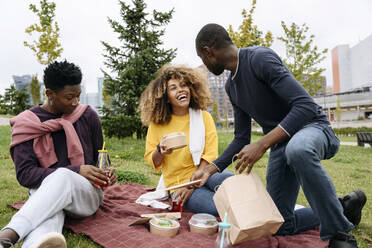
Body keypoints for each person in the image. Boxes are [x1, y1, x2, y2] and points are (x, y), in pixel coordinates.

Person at [191, 23, 366, 248]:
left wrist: (262, 144)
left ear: (208, 51)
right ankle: (344, 207)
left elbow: (305, 106)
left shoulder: (259, 58)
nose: (204, 65)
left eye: (202, 58)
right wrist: (210, 169)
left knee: (298, 149)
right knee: (280, 223)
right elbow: (241, 139)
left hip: (313, 128)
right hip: (281, 145)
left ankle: (340, 235)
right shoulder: (231, 88)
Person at [0, 60, 117, 248]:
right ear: (50, 94)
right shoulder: (27, 124)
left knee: (63, 175)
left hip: (86, 196)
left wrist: (105, 173)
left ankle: (9, 233)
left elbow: (99, 159)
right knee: (48, 222)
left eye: (78, 96)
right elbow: (25, 175)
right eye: (69, 97)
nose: (75, 102)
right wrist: (76, 169)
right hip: (46, 195)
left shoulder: (88, 116)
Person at [139, 65, 233, 216]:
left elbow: (210, 154)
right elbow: (153, 161)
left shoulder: (204, 117)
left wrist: (193, 184)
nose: (181, 90)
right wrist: (160, 150)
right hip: (179, 185)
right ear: (166, 96)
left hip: (205, 173)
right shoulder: (157, 124)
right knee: (217, 208)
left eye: (184, 85)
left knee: (233, 183)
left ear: (191, 89)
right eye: (173, 88)